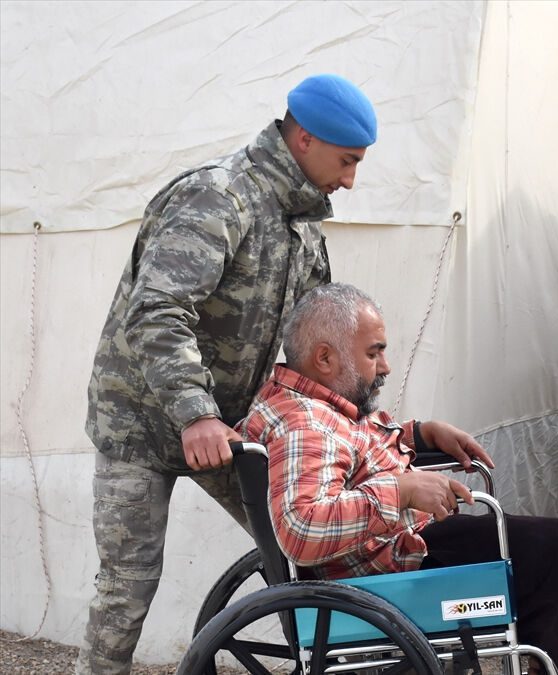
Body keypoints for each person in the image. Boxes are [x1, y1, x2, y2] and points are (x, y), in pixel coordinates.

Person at [78, 74, 377, 674]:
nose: (350, 179)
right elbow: (158, 312)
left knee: (309, 540)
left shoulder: (302, 226)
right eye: (346, 161)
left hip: (230, 429)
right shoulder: (217, 198)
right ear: (304, 139)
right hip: (143, 425)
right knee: (126, 589)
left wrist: (364, 427)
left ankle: (338, 661)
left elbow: (317, 351)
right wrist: (195, 413)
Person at [238, 283, 558, 674]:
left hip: (394, 550)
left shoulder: (301, 400)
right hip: (394, 571)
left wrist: (418, 434)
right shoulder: (305, 426)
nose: (385, 366)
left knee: (547, 551)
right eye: (373, 353)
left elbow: (348, 449)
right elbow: (302, 528)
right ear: (325, 358)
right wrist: (401, 490)